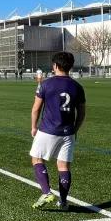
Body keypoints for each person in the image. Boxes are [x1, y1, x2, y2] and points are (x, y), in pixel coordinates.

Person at [29, 52, 86, 211]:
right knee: (63, 167)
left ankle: (46, 192)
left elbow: (36, 109)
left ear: (55, 66)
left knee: (37, 159)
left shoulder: (45, 84)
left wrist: (34, 127)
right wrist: (75, 129)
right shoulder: (77, 87)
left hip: (48, 130)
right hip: (68, 132)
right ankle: (63, 201)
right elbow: (81, 113)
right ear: (70, 66)